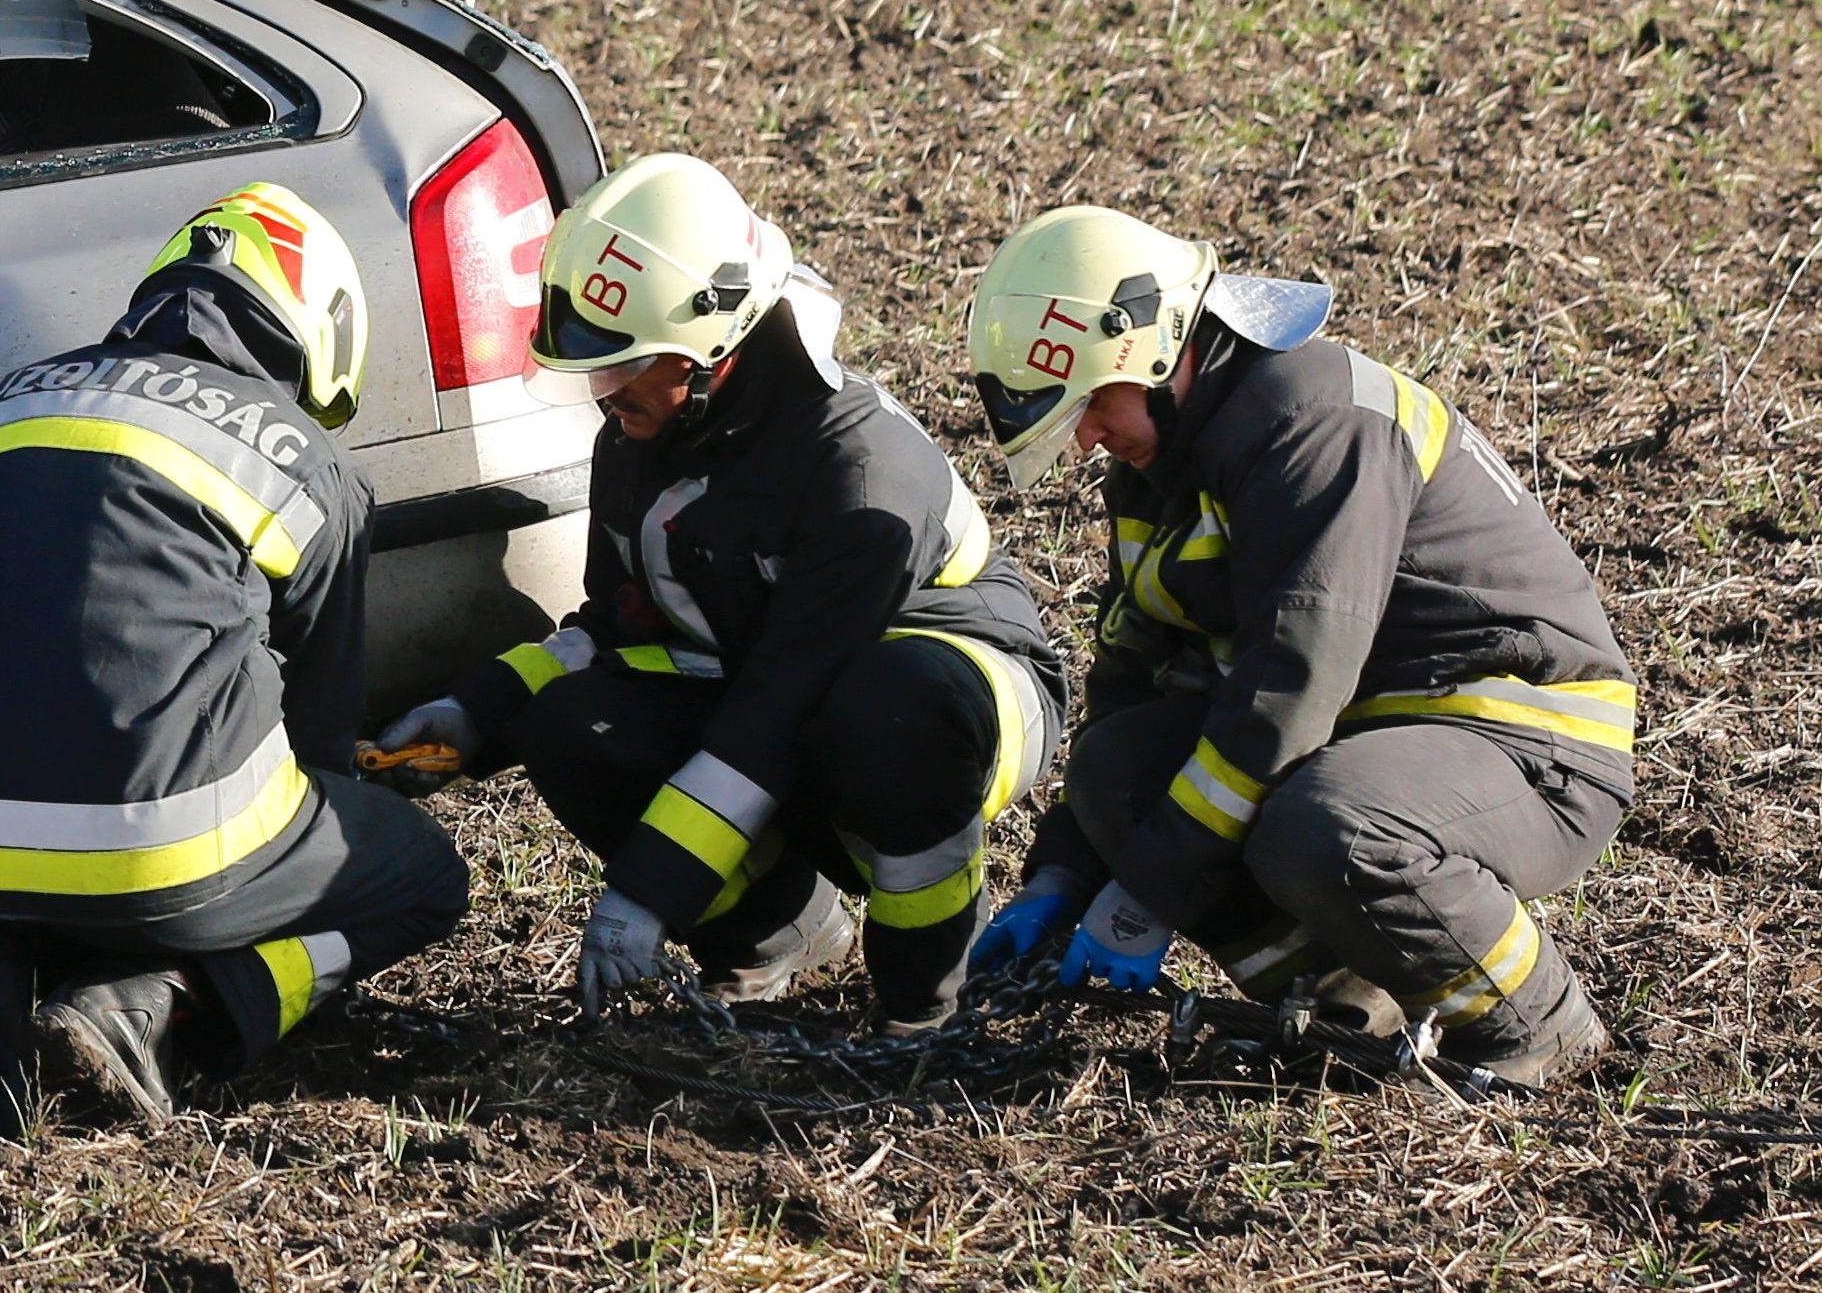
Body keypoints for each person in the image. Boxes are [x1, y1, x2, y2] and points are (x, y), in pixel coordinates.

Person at [368, 154, 1069, 1030]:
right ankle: (779, 936)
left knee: (890, 718)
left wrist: (644, 893)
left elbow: (783, 702)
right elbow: (615, 631)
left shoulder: (858, 472)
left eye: (623, 364)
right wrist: (475, 712)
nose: (601, 391)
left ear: (714, 345)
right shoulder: (643, 431)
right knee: (572, 726)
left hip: (943, 702)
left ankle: (925, 1003)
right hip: (787, 704)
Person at [955, 208, 1636, 1089]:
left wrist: (1148, 895)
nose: (1085, 437)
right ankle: (1343, 1002)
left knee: (1330, 826)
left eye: (1090, 401)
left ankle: (1534, 1022)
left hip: (1525, 739)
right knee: (1121, 767)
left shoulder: (1317, 425)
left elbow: (1292, 685)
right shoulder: (1158, 466)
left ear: (1155, 353)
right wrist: (1063, 874)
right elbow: (1136, 682)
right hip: (1359, 740)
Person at [0, 184, 472, 1127]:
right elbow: (317, 723)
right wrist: (358, 795)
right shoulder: (304, 459)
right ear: (320, 335)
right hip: (158, 854)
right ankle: (164, 1007)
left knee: (26, 831)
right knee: (423, 878)